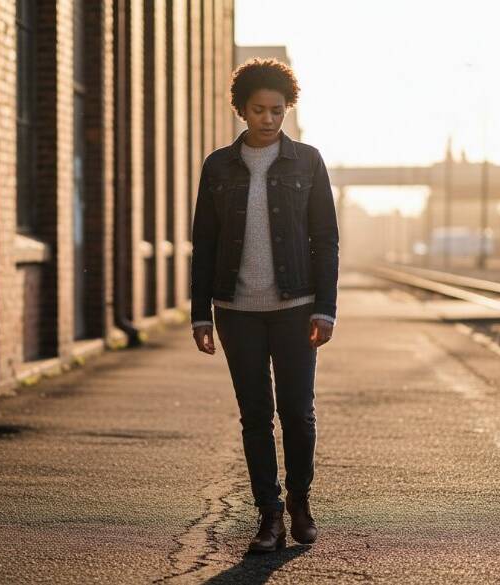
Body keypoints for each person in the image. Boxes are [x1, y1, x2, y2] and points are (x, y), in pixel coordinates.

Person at [189, 58, 339, 554]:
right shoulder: (218, 166)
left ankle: (300, 500)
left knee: (298, 412)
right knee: (255, 415)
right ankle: (269, 516)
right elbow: (204, 244)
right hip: (236, 311)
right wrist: (199, 313)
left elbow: (326, 240)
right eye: (259, 110)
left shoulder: (308, 161)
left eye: (277, 110)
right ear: (242, 110)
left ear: (287, 109)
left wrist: (326, 307)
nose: (269, 119)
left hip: (297, 307)